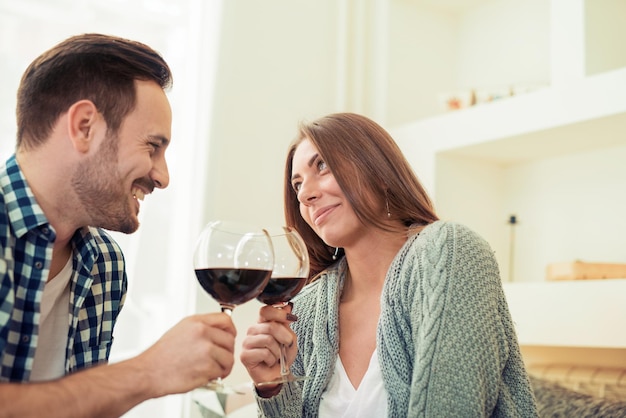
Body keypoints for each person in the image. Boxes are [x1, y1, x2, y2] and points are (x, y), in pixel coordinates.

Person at [240, 112, 539, 417]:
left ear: (380, 172)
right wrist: (272, 387)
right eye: (297, 185)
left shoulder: (448, 253)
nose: (305, 194)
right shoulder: (304, 311)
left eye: (323, 165)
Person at [0, 33, 236, 417]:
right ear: (84, 127)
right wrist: (148, 371)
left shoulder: (104, 264)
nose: (162, 176)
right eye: (152, 146)